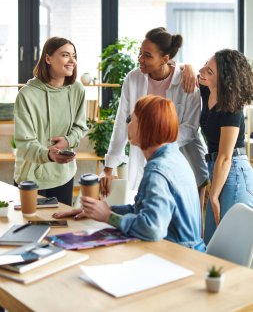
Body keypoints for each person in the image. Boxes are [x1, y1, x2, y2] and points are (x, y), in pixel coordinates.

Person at [53, 95, 205, 251]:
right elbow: (144, 211)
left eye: (131, 119)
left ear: (145, 126)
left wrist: (107, 217)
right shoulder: (173, 156)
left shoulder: (157, 170)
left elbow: (152, 228)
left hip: (179, 256)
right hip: (185, 250)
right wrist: (102, 209)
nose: (128, 125)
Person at [101, 27, 209, 201]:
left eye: (147, 56)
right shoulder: (133, 78)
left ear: (165, 59)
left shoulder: (186, 81)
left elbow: (190, 128)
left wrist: (155, 141)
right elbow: (122, 121)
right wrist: (108, 168)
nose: (140, 59)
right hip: (149, 159)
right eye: (140, 53)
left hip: (185, 160)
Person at [14, 37, 87, 206]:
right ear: (48, 58)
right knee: (30, 228)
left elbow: (80, 126)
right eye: (65, 55)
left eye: (74, 56)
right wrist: (48, 154)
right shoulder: (27, 94)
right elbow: (24, 143)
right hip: (30, 177)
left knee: (59, 229)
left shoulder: (77, 90)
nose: (72, 61)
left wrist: (68, 140)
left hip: (63, 175)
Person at [199, 49, 253, 244]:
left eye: (210, 71)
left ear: (224, 79)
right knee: (211, 242)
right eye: (205, 64)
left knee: (229, 244)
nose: (202, 71)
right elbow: (180, 71)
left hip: (234, 173)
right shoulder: (206, 90)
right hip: (218, 170)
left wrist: (213, 195)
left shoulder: (232, 107)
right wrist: (186, 67)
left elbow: (225, 156)